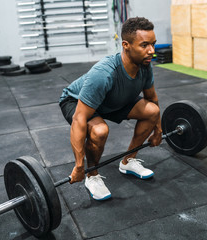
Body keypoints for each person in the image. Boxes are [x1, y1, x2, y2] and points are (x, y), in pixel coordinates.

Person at [59, 17, 162, 201]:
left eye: (153, 44)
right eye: (145, 45)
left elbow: (151, 99)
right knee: (99, 131)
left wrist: (158, 130)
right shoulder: (104, 73)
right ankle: (92, 176)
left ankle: (128, 161)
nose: (151, 51)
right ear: (126, 45)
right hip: (76, 101)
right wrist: (79, 166)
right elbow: (79, 119)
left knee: (152, 111)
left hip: (111, 100)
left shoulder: (145, 65)